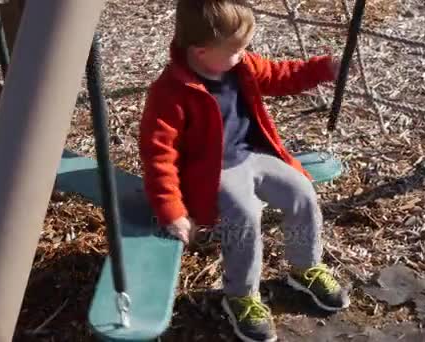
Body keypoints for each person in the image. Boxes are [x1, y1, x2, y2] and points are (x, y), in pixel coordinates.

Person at [138, 0, 349, 341]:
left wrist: (325, 68)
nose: (245, 53)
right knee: (244, 213)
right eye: (237, 48)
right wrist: (172, 211)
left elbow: (283, 75)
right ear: (201, 51)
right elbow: (158, 157)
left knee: (301, 191)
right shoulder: (170, 93)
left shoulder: (241, 66)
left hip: (253, 154)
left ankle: (305, 266)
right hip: (214, 171)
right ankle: (240, 295)